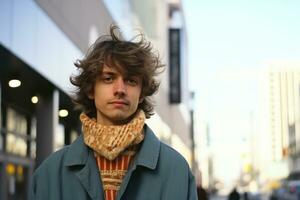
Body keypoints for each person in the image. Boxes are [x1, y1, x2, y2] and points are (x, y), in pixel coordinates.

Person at [29, 25, 197, 200]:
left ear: (141, 93)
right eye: (108, 78)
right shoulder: (50, 173)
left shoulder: (177, 171)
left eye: (131, 80)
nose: (120, 89)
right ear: (90, 89)